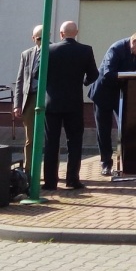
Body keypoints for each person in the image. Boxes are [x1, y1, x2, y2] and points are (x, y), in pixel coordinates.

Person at [43, 21, 99, 190]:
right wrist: (82, 82)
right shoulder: (85, 50)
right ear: (76, 33)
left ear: (61, 34)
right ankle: (72, 179)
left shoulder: (49, 50)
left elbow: (37, 72)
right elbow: (94, 74)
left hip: (52, 102)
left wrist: (50, 84)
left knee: (51, 142)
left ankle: (50, 182)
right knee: (74, 142)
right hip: (74, 103)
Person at [87, 30, 136, 175]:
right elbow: (108, 73)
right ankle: (106, 163)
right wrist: (128, 75)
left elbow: (133, 70)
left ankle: (132, 163)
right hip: (103, 93)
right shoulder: (116, 49)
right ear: (134, 41)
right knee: (104, 130)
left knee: (128, 127)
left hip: (121, 94)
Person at [13, 25, 43, 177]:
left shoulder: (54, 52)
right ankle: (29, 173)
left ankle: (51, 173)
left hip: (47, 98)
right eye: (38, 38)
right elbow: (20, 80)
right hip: (30, 98)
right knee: (30, 139)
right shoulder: (26, 54)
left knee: (50, 138)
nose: (41, 41)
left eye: (44, 38)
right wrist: (17, 104)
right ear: (33, 38)